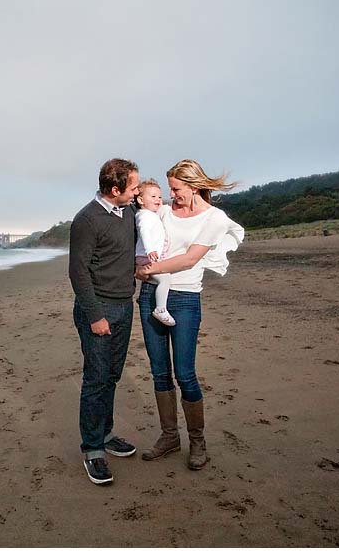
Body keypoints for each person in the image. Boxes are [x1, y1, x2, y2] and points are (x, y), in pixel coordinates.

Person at [135, 159, 244, 470]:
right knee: (159, 372)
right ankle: (170, 436)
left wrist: (149, 269)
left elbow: (188, 259)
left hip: (185, 299)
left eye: (177, 189)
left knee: (184, 373)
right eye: (169, 189)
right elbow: (140, 227)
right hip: (150, 295)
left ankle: (197, 440)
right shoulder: (164, 210)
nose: (171, 195)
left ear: (194, 186)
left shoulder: (214, 219)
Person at [69, 158, 141, 485]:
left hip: (124, 306)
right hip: (97, 310)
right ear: (115, 189)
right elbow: (78, 272)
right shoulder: (87, 220)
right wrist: (95, 316)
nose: (137, 193)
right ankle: (93, 448)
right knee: (96, 379)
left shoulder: (128, 213)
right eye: (134, 187)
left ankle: (106, 432)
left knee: (112, 375)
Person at [134, 179, 176, 327]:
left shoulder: (151, 214)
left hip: (148, 255)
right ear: (140, 199)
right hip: (146, 255)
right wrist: (150, 249)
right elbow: (144, 232)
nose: (158, 200)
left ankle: (144, 298)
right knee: (164, 279)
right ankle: (160, 309)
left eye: (159, 196)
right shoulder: (144, 216)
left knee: (157, 278)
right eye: (153, 197)